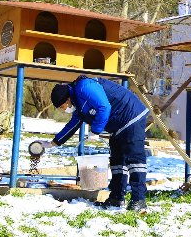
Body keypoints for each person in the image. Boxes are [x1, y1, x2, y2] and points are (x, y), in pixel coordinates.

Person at [39, 76, 149, 212]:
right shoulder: (78, 104)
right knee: (117, 161)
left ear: (66, 99)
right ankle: (116, 197)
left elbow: (104, 107)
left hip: (131, 115)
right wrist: (53, 143)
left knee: (134, 160)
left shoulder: (85, 86)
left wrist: (95, 130)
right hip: (117, 125)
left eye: (63, 107)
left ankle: (139, 200)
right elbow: (73, 125)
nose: (64, 110)